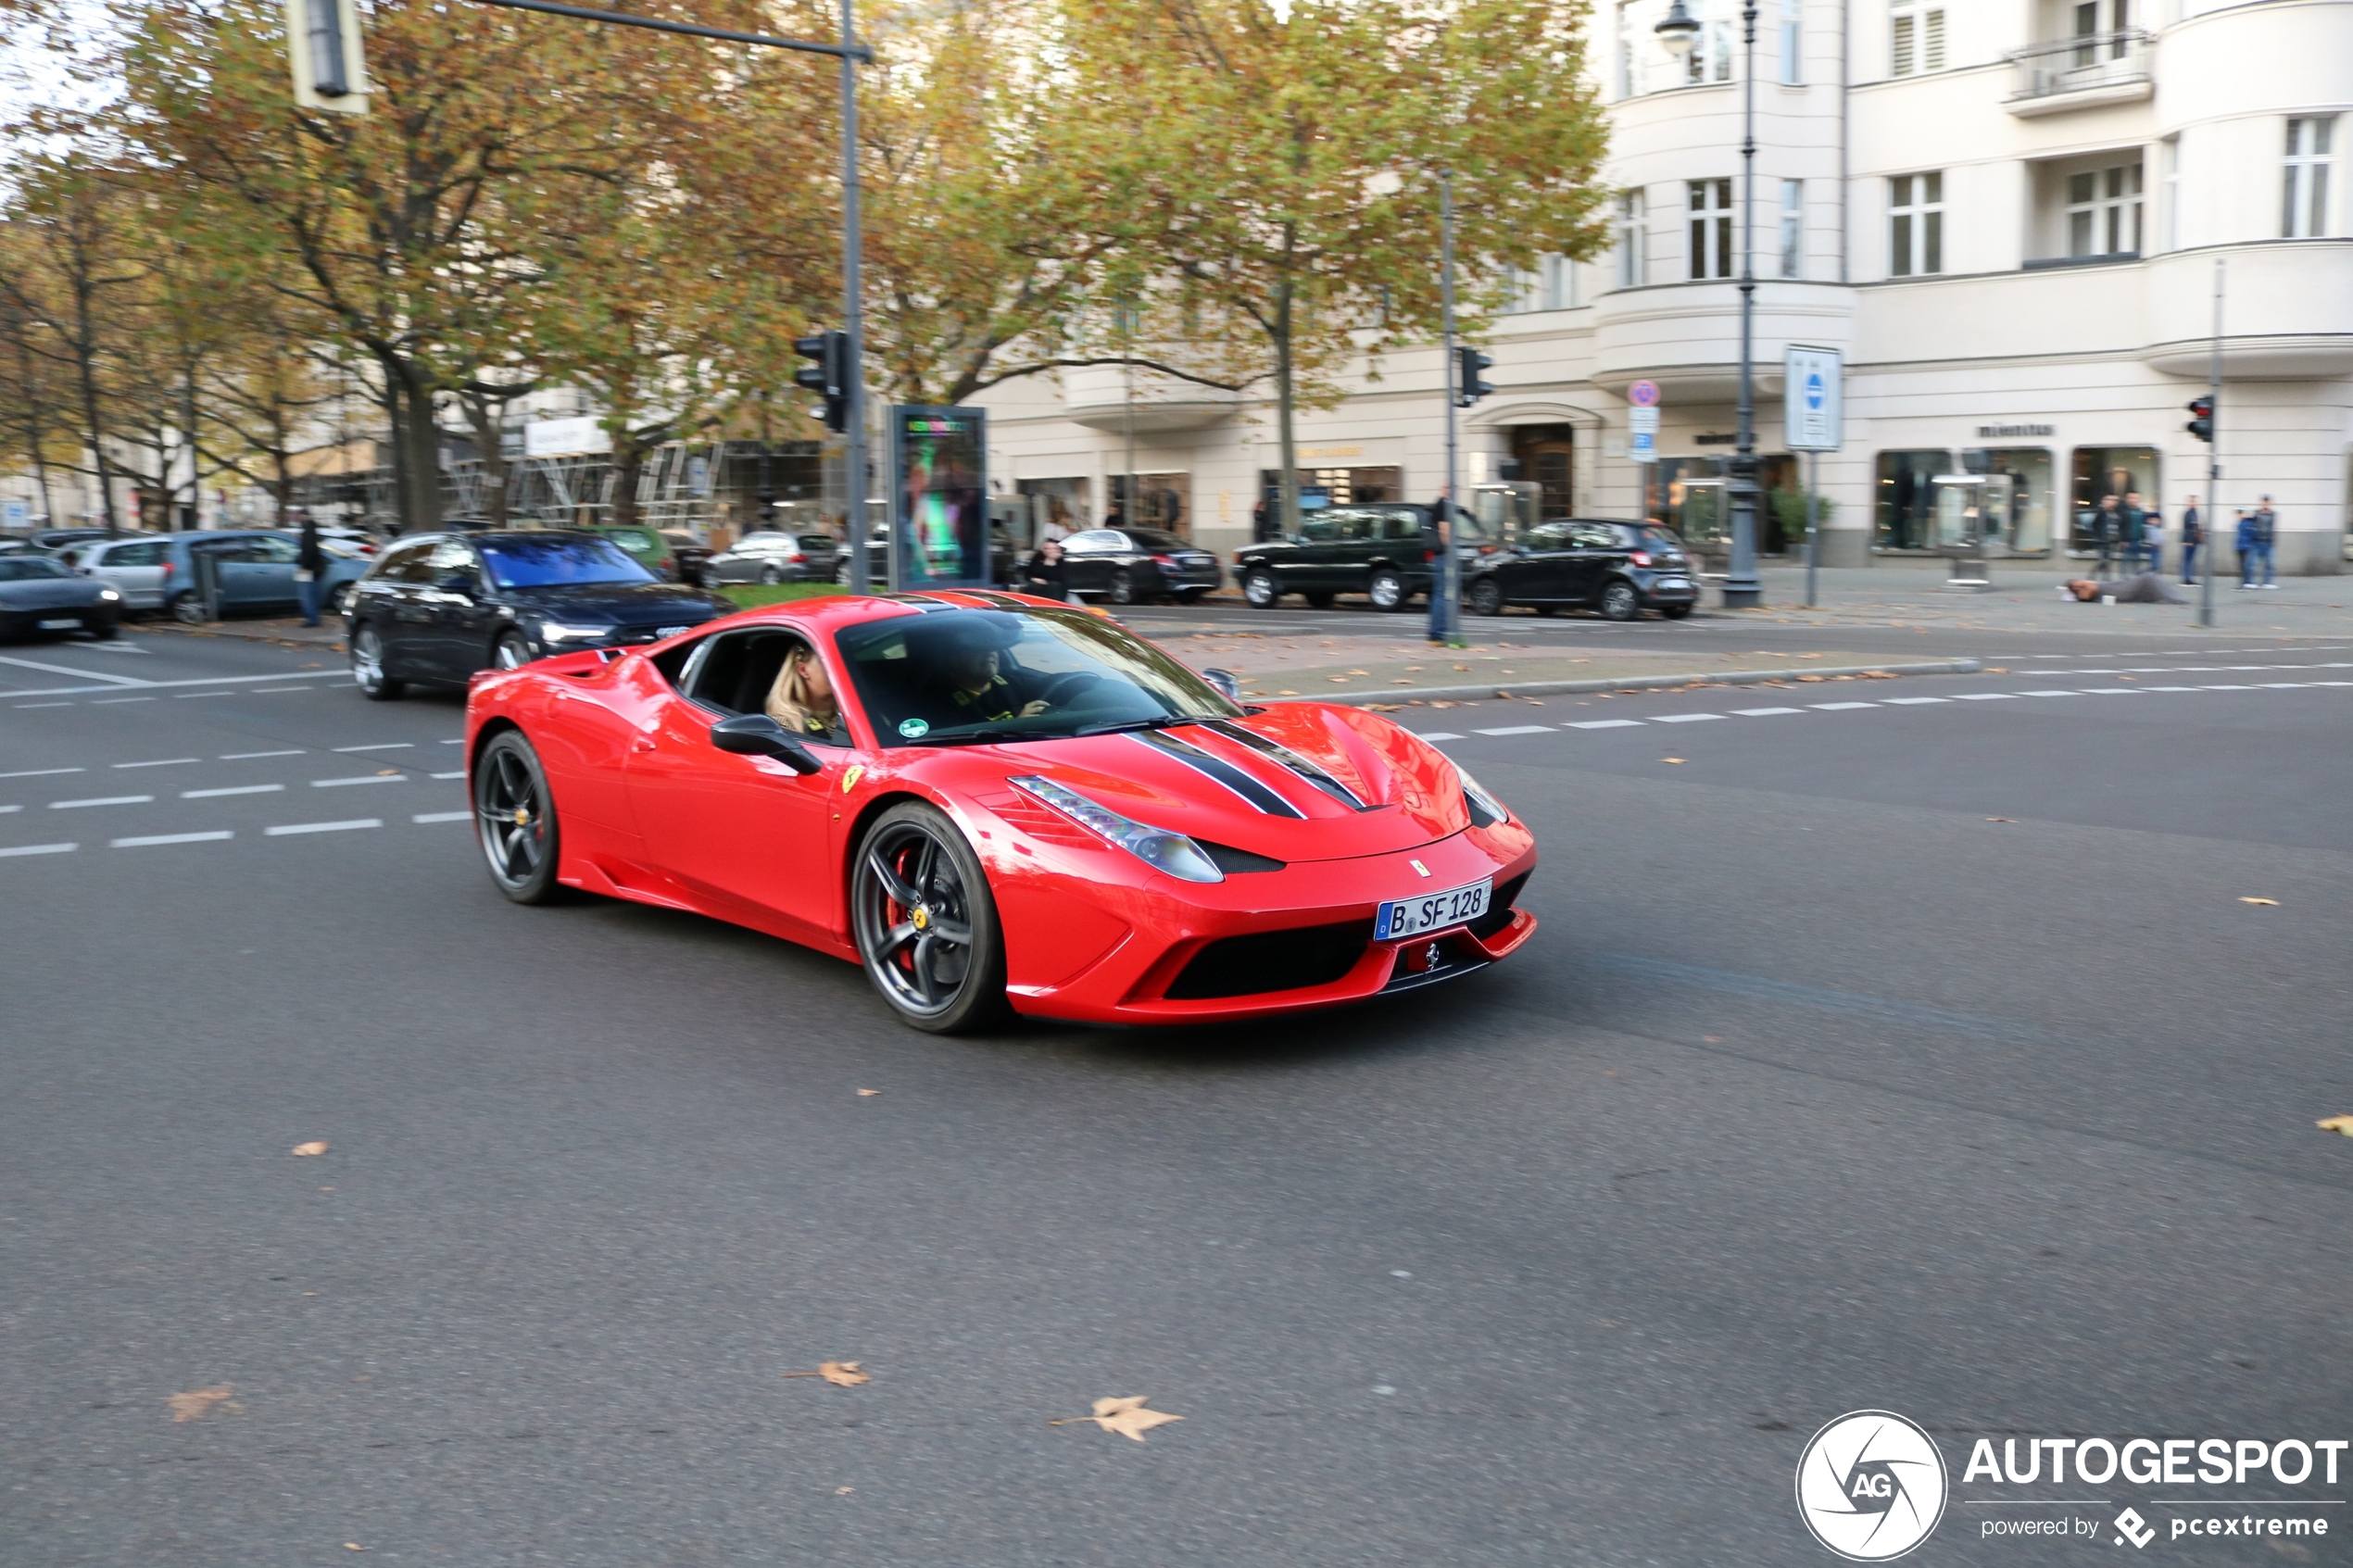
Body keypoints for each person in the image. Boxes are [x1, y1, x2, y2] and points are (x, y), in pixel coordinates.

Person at [936, 620, 1051, 722]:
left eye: (993, 648)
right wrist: (1018, 725)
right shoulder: (939, 704)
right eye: (978, 649)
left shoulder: (1010, 683)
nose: (989, 653)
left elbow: (1053, 683)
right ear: (954, 659)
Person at [762, 645, 845, 741]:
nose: (841, 669)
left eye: (843, 663)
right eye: (829, 663)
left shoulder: (856, 713)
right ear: (803, 670)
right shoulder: (783, 726)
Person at [2060, 573, 2184, 605]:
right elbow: (2092, 589)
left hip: (2118, 585)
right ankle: (2171, 598)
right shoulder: (2083, 593)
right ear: (2074, 588)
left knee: (2149, 577)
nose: (2080, 583)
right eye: (2076, 584)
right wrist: (2084, 583)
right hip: (2119, 591)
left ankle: (2172, 597)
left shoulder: (2083, 589)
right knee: (2147, 579)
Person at [294, 512, 327, 626]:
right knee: (311, 594)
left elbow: (308, 552)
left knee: (306, 595)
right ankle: (314, 618)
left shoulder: (307, 532)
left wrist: (302, 563)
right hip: (315, 568)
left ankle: (312, 619)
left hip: (308, 569)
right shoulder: (313, 532)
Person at [1017, 535, 1070, 601]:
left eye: (1054, 548)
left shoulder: (1063, 560)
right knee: (1031, 586)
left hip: (1056, 588)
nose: (1050, 551)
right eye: (1046, 548)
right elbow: (1027, 574)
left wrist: (1051, 561)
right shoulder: (1038, 557)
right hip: (1038, 586)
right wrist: (1034, 579)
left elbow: (1058, 578)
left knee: (1053, 585)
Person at [2248, 495, 2278, 588]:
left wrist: (2273, 539)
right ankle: (2250, 582)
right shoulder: (2256, 513)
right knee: (2252, 563)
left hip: (2268, 541)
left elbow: (2272, 527)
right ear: (2261, 503)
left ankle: (2267, 582)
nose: (2265, 504)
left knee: (2270, 563)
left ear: (2270, 503)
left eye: (2267, 503)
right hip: (2257, 541)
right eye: (2264, 502)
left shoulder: (2273, 514)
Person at [2092, 495, 2122, 575]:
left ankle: (2102, 576)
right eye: (2110, 500)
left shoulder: (2118, 513)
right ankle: (2098, 576)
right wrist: (2099, 536)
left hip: (2114, 539)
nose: (2113, 502)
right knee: (2104, 560)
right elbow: (2095, 525)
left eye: (2115, 501)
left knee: (2108, 560)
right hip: (2104, 540)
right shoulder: (2101, 513)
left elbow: (2121, 525)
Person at [2178, 495, 2202, 584]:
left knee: (2191, 559)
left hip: (2194, 539)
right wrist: (2188, 540)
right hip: (2189, 539)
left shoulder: (2195, 513)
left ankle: (2189, 577)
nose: (2194, 503)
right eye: (2192, 502)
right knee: (2187, 559)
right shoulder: (2188, 513)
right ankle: (2186, 578)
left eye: (2195, 502)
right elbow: (2187, 528)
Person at [2235, 508, 2259, 589]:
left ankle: (2247, 582)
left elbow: (2252, 535)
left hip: (2246, 546)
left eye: (2241, 513)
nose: (2239, 515)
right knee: (2242, 566)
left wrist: (2249, 544)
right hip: (2240, 546)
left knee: (2247, 565)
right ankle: (2243, 582)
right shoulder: (2241, 522)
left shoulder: (2249, 523)